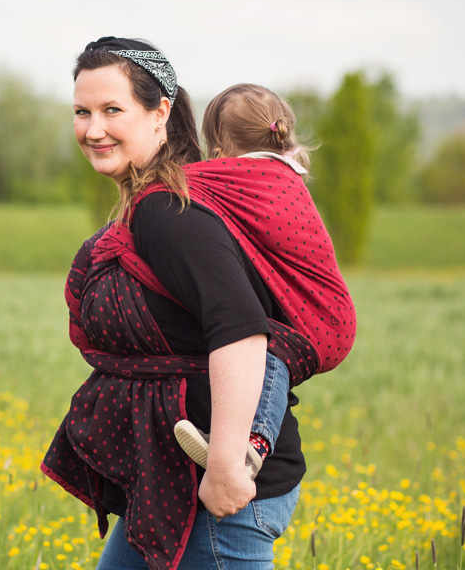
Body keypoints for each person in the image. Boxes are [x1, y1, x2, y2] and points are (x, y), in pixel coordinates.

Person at [40, 38, 356, 570]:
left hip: (217, 490)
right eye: (82, 112)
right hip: (169, 484)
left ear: (160, 111)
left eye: (112, 110)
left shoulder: (171, 210)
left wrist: (229, 463)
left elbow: (241, 331)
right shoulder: (170, 200)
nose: (93, 129)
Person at [172, 83, 321, 481]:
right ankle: (246, 444)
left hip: (316, 322)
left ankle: (250, 448)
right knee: (270, 355)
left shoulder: (245, 176)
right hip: (325, 313)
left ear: (220, 151)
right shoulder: (284, 173)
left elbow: (183, 179)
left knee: (264, 353)